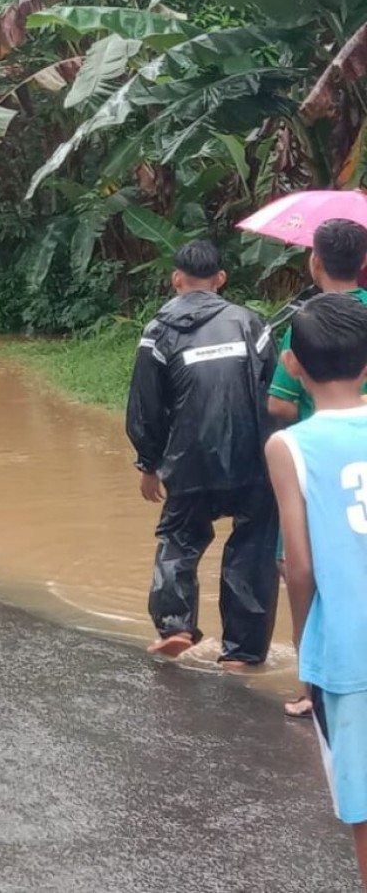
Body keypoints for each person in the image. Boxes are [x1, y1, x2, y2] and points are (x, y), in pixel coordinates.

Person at [126, 240, 279, 666]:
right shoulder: (252, 324)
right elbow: (275, 391)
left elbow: (146, 406)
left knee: (178, 539)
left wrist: (148, 463)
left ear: (176, 279)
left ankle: (176, 624)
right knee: (252, 549)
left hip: (189, 461)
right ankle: (242, 653)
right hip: (254, 461)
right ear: (221, 280)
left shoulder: (157, 331)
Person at [264, 293, 367, 890]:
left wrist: (305, 649)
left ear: (293, 364)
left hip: (347, 654)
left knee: (362, 803)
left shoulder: (289, 447)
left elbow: (298, 568)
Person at [268, 218, 367, 718]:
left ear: (315, 262)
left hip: (314, 466)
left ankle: (310, 684)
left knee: (300, 566)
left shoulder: (302, 325)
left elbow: (279, 406)